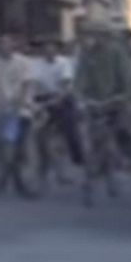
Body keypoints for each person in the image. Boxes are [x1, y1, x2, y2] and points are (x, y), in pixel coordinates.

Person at [73, 23, 131, 204]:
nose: (93, 39)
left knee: (118, 135)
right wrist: (80, 97)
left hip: (113, 103)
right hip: (93, 104)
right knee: (89, 144)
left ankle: (122, 163)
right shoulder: (86, 54)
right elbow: (79, 80)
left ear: (106, 37)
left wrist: (123, 96)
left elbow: (127, 79)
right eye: (91, 35)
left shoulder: (117, 53)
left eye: (98, 35)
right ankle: (92, 178)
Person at [0, 33, 36, 197]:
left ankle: (22, 184)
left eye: (6, 44)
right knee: (0, 146)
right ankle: (0, 178)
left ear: (13, 45)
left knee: (17, 149)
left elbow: (26, 84)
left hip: (20, 110)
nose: (3, 47)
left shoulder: (24, 62)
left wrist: (19, 100)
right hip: (0, 108)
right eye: (0, 44)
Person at [30, 36, 84, 169]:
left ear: (56, 50)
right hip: (42, 98)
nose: (49, 51)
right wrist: (33, 102)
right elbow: (34, 84)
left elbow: (66, 84)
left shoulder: (64, 63)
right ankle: (42, 163)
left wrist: (58, 99)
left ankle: (78, 159)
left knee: (70, 128)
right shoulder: (36, 64)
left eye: (52, 48)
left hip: (61, 98)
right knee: (38, 133)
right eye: (46, 48)